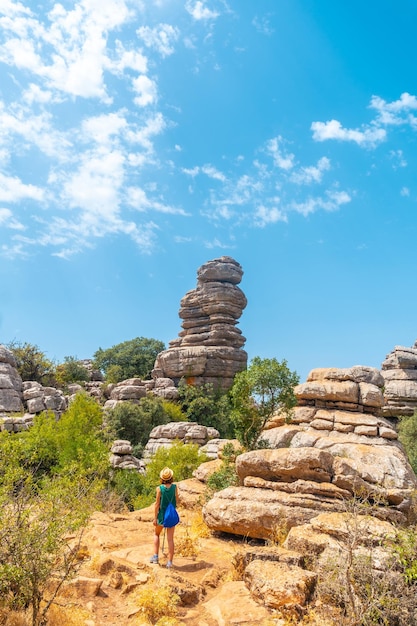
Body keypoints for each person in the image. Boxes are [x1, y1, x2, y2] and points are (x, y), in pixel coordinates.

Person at [150, 467, 179, 568]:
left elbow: (157, 504)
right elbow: (177, 500)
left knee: (157, 534)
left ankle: (155, 557)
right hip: (171, 515)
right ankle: (170, 562)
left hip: (162, 516)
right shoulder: (175, 487)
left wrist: (155, 518)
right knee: (170, 539)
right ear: (171, 477)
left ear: (162, 478)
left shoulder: (159, 489)